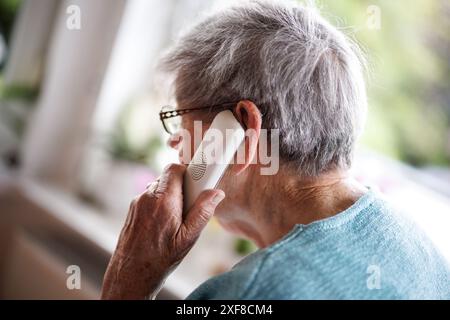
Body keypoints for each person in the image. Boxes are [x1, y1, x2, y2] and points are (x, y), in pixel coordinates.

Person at [101, 0, 450, 299]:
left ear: (243, 129)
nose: (175, 142)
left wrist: (129, 281)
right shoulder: (423, 251)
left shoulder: (253, 291)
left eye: (181, 120)